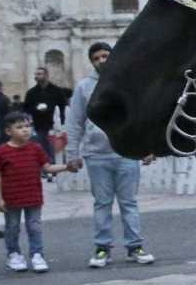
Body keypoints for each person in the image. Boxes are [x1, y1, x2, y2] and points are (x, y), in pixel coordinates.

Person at [64, 41, 156, 268]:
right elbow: (75, 122)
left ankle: (135, 246)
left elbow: (140, 116)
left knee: (129, 203)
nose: (101, 61)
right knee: (102, 203)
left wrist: (146, 145)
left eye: (105, 56)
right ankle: (102, 247)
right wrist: (72, 153)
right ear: (91, 62)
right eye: (96, 58)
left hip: (126, 151)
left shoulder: (127, 83)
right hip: (97, 155)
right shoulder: (84, 87)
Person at [0, 111, 57, 273]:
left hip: (33, 195)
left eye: (28, 126)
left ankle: (37, 254)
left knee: (34, 226)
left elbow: (48, 167)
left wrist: (66, 167)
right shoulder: (1, 152)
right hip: (11, 197)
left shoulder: (36, 148)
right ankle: (13, 254)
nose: (25, 130)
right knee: (12, 227)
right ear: (8, 131)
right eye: (20, 127)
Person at [23, 66, 73, 160]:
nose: (36, 76)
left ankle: (53, 164)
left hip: (54, 125)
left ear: (46, 75)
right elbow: (26, 108)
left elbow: (63, 107)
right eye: (36, 74)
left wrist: (63, 124)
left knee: (54, 150)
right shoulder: (31, 92)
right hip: (38, 125)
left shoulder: (57, 91)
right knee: (41, 148)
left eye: (39, 74)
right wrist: (36, 109)